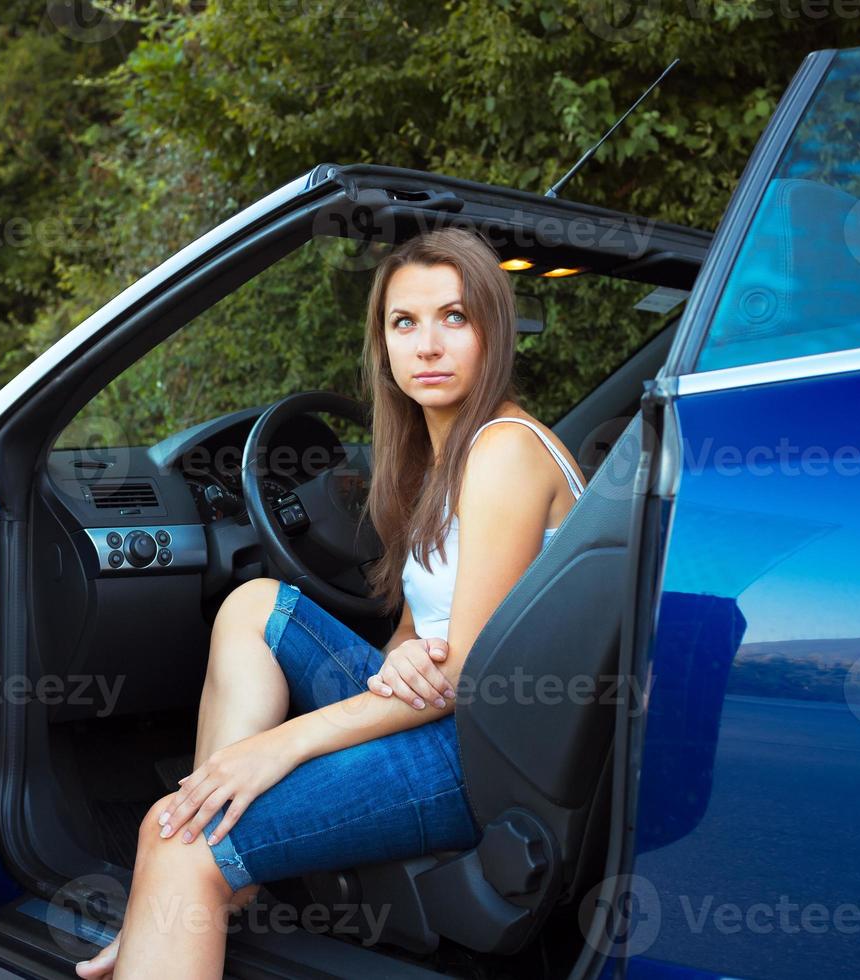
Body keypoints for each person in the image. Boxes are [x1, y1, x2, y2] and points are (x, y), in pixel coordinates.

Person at [75, 226, 586, 978]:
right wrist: (403, 655)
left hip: (484, 751)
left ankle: (197, 872)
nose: (428, 345)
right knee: (254, 602)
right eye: (403, 323)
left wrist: (276, 745)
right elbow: (418, 635)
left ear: (493, 329)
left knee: (173, 834)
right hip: (450, 713)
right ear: (382, 346)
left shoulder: (504, 451)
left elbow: (469, 675)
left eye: (455, 317)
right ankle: (213, 870)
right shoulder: (435, 460)